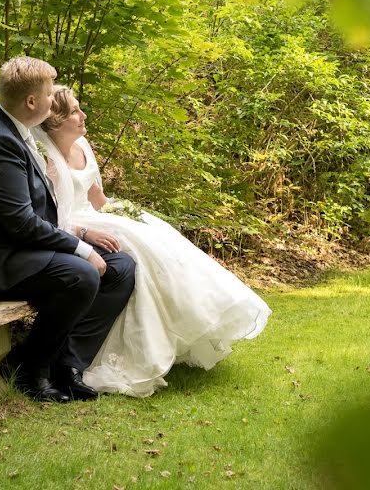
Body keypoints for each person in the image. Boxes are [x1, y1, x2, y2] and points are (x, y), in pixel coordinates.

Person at [31, 86, 271, 397]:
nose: (83, 115)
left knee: (155, 238)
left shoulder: (83, 146)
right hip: (72, 225)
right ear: (57, 120)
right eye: (75, 111)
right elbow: (54, 217)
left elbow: (98, 199)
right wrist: (92, 231)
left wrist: (128, 214)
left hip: (96, 215)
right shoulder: (46, 158)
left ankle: (187, 320)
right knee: (135, 254)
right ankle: (114, 352)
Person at [0, 57, 136, 402]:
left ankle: (67, 365)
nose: (53, 99)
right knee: (81, 274)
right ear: (31, 102)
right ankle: (32, 369)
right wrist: (82, 249)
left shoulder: (17, 130)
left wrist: (81, 238)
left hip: (18, 249)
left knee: (121, 268)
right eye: (48, 94)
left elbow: (38, 214)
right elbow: (21, 222)